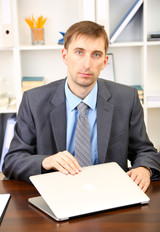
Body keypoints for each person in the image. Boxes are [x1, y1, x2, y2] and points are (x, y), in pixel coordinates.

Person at [2, 21, 160, 192]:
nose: (87, 64)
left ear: (105, 61)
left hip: (109, 194)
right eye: (79, 52)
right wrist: (45, 161)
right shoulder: (33, 100)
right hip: (58, 192)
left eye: (96, 55)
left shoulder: (127, 98)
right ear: (65, 56)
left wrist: (144, 168)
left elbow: (145, 151)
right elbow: (12, 161)